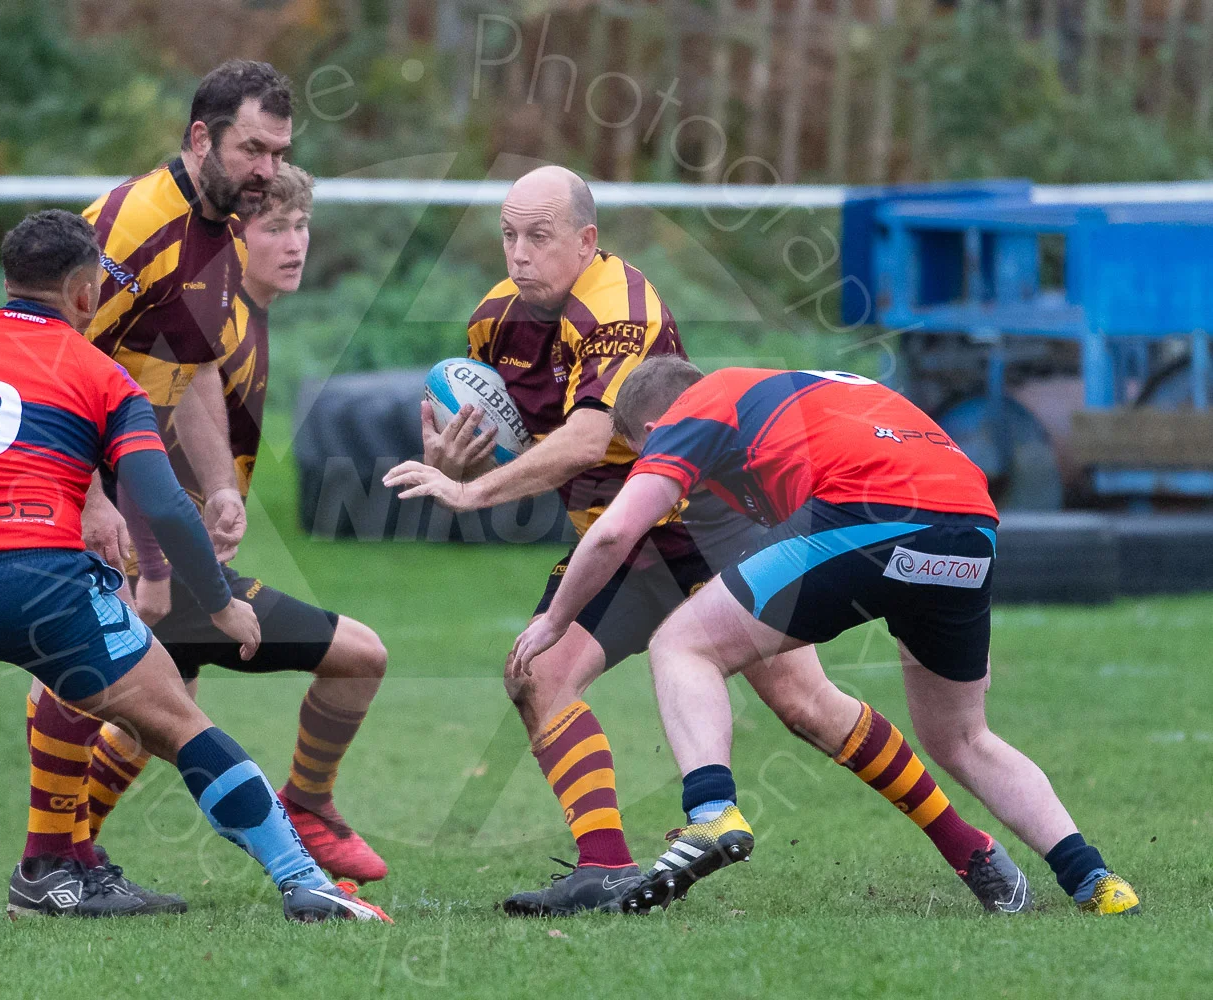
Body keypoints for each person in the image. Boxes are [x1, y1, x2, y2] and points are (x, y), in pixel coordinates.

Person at [384, 166, 1019, 916]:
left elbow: (590, 438)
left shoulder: (622, 309)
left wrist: (472, 491)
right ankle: (606, 867)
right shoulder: (495, 320)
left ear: (586, 241)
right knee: (537, 672)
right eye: (508, 235)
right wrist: (457, 457)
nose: (518, 254)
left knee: (805, 702)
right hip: (615, 537)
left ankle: (968, 847)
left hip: (705, 519)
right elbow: (510, 432)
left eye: (539, 237)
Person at [0, 209, 388, 925]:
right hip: (43, 582)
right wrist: (223, 604)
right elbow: (166, 504)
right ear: (84, 291)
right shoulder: (100, 374)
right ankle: (300, 880)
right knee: (179, 722)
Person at [509, 357, 1141, 917]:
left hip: (875, 514)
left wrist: (557, 618)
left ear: (652, 432)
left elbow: (617, 531)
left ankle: (710, 814)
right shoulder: (797, 390)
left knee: (684, 645)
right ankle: (1095, 880)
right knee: (963, 736)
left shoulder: (694, 410)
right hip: (971, 526)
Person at [13, 62, 387, 914]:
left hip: (139, 504)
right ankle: (53, 867)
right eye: (251, 149)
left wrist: (221, 485)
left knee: (143, 691)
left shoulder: (217, 234)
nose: (264, 169)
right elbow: (50, 355)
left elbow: (189, 367)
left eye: (279, 152)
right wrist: (94, 497)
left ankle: (67, 861)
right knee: (98, 680)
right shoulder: (138, 222)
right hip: (70, 479)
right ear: (198, 138)